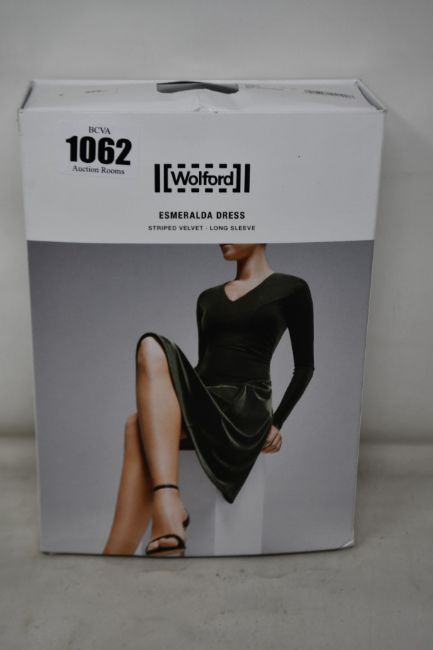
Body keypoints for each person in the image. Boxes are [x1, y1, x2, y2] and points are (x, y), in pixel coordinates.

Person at [103, 243, 315, 557]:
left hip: (246, 403)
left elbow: (305, 366)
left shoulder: (292, 288)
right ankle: (120, 552)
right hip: (209, 397)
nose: (222, 237)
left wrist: (277, 421)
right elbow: (206, 365)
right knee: (135, 423)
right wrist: (179, 400)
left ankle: (163, 514)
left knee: (149, 353)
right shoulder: (208, 298)